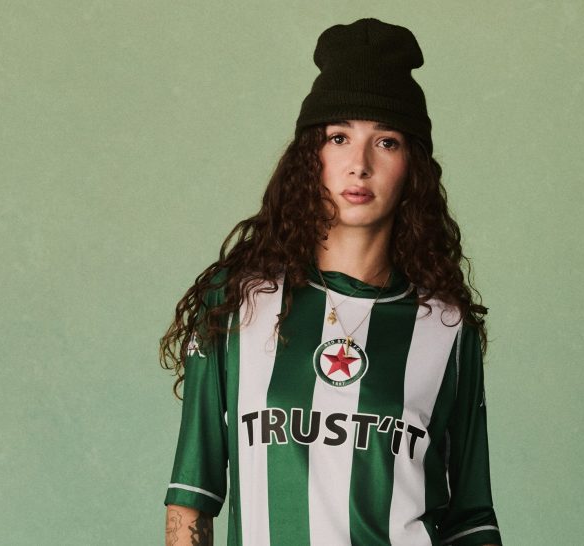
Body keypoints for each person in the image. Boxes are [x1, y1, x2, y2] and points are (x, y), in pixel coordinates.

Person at [160, 18, 502, 546]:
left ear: (412, 166)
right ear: (309, 157)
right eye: (339, 138)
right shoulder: (238, 301)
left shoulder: (446, 326)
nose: (359, 165)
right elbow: (191, 500)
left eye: (385, 142)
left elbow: (472, 518)